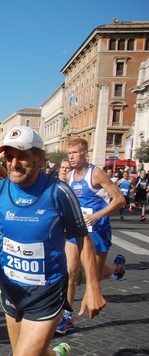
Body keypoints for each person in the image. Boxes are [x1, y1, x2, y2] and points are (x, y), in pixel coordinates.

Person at [0, 126, 106, 356]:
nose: (13, 163)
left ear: (40, 159)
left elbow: (83, 238)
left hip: (46, 293)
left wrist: (92, 286)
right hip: (12, 291)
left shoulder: (59, 192)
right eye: (8, 157)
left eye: (21, 156)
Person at [57, 138, 125, 335]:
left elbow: (119, 199)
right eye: (69, 153)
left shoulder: (95, 173)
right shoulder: (70, 176)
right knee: (70, 272)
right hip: (75, 231)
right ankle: (67, 318)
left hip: (97, 231)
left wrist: (96, 216)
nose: (71, 157)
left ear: (85, 153)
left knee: (90, 276)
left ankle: (115, 268)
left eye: (75, 153)